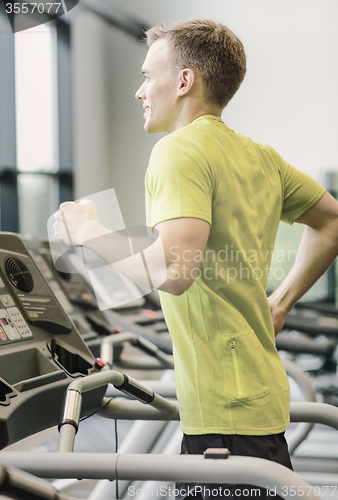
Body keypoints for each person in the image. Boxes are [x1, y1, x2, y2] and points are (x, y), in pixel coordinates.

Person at [54, 19, 338, 498]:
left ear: (185, 81)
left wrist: (90, 232)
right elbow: (333, 219)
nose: (139, 91)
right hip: (255, 400)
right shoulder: (259, 155)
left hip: (224, 417)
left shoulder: (178, 151)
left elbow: (172, 270)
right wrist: (281, 303)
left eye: (148, 76)